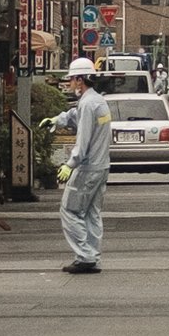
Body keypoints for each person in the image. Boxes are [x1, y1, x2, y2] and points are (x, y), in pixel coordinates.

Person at [52, 55, 114, 275]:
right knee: (92, 213)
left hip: (87, 168)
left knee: (70, 210)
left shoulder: (88, 103)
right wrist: (59, 119)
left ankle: (85, 256)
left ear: (80, 80)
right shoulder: (98, 101)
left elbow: (83, 138)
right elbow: (78, 115)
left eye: (71, 80)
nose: (70, 84)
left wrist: (70, 163)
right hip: (101, 166)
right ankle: (92, 256)